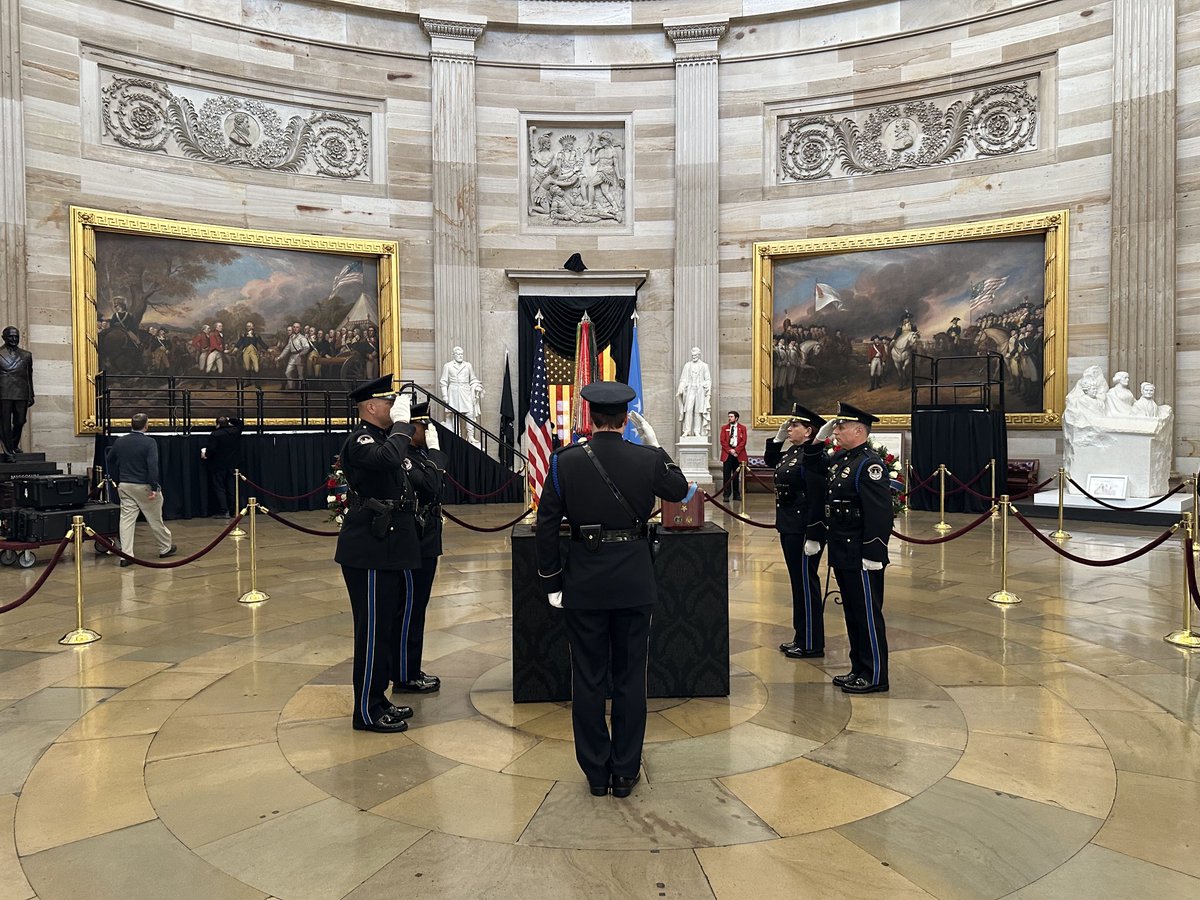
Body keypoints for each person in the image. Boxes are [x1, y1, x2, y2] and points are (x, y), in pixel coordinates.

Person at [535, 382, 693, 798]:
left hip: (583, 584)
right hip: (633, 583)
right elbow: (680, 491)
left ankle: (595, 773)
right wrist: (657, 447)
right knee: (629, 678)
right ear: (626, 421)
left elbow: (547, 525)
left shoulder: (564, 461)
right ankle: (625, 771)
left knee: (587, 678)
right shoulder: (645, 459)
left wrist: (551, 579)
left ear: (590, 420)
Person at [335, 375, 421, 733]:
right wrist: (402, 424)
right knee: (371, 631)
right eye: (389, 403)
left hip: (386, 544)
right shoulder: (361, 440)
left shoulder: (386, 439)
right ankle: (366, 712)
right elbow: (387, 460)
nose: (395, 408)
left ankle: (378, 698)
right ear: (371, 407)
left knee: (384, 627)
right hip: (368, 549)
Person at [822, 401, 892, 693]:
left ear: (859, 430)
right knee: (852, 612)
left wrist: (874, 552)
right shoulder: (843, 460)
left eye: (841, 426)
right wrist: (818, 438)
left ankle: (875, 674)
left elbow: (879, 512)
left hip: (862, 552)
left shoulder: (869, 464)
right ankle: (858, 667)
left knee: (867, 614)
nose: (836, 431)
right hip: (843, 549)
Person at [765, 403, 830, 659]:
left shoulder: (815, 458)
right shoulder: (794, 452)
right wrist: (778, 439)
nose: (789, 428)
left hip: (804, 528)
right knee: (797, 583)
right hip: (789, 525)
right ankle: (801, 636)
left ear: (809, 431)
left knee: (806, 583)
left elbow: (817, 497)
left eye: (794, 425)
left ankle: (812, 642)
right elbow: (773, 462)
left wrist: (814, 534)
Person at [392, 401, 447, 695]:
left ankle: (410, 667)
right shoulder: (407, 457)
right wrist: (437, 454)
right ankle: (404, 674)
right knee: (410, 609)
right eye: (424, 426)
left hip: (426, 539)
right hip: (415, 542)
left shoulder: (419, 454)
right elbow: (431, 487)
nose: (428, 431)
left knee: (418, 609)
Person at [106, 412, 176, 567]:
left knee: (126, 521)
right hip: (143, 485)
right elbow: (152, 467)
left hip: (125, 485)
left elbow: (110, 459)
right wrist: (154, 486)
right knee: (155, 518)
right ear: (146, 425)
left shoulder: (120, 441)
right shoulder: (149, 442)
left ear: (131, 424)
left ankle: (126, 555)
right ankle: (165, 548)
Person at [0, 326, 34, 461]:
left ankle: (13, 445)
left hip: (21, 392)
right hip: (4, 392)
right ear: (4, 337)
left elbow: (29, 376)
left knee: (20, 421)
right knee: (5, 423)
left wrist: (31, 394)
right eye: (11, 336)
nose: (14, 339)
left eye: (16, 337)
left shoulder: (26, 355)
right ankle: (8, 452)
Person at [439, 346, 485, 446]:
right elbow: (443, 382)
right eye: (458, 354)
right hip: (454, 392)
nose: (460, 356)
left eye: (461, 354)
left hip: (465, 391)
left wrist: (476, 387)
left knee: (470, 413)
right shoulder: (448, 366)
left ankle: (470, 435)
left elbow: (472, 379)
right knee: (455, 414)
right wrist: (445, 396)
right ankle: (457, 435)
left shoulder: (468, 365)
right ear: (454, 355)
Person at [201, 414, 244, 518]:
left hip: (218, 465)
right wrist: (230, 419)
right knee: (232, 488)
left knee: (220, 488)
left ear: (218, 424)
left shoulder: (215, 435)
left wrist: (205, 454)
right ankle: (234, 510)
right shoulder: (235, 431)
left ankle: (224, 511)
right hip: (233, 465)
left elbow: (211, 450)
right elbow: (240, 423)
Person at [676, 347, 712, 437]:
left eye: (695, 355)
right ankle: (687, 430)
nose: (694, 357)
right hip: (690, 390)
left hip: (699, 391)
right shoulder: (687, 365)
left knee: (698, 411)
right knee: (688, 410)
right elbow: (683, 379)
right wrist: (681, 387)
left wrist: (706, 384)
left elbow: (708, 379)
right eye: (692, 355)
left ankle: (697, 431)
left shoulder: (704, 366)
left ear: (699, 355)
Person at [719, 410, 749, 501]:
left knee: (736, 475)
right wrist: (730, 450)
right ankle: (726, 494)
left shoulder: (742, 428)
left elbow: (743, 441)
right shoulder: (724, 428)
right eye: (729, 416)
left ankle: (736, 494)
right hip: (728, 454)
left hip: (738, 454)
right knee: (727, 475)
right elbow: (722, 441)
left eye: (731, 417)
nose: (729, 418)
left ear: (736, 418)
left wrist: (736, 451)